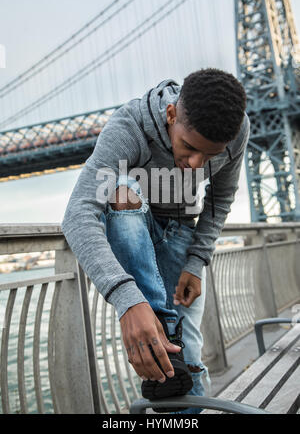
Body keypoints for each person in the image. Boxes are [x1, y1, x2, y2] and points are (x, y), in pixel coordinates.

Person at [61, 68, 249, 414]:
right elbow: (77, 215)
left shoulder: (236, 133)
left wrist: (196, 262)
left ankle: (171, 347)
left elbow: (219, 200)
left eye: (208, 157)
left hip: (182, 231)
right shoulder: (129, 126)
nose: (195, 165)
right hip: (133, 226)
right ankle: (162, 323)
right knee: (121, 188)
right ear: (171, 114)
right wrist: (128, 301)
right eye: (189, 147)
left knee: (186, 359)